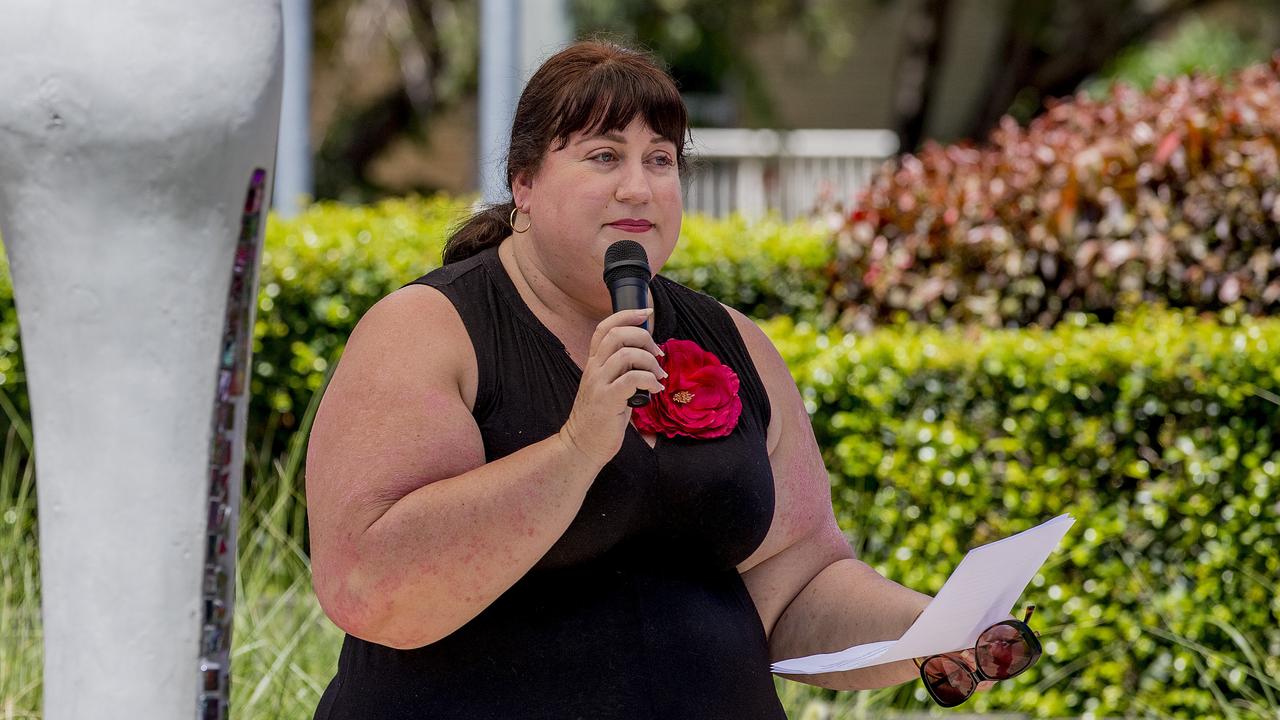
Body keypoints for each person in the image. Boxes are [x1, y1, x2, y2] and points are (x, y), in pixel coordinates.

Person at [305, 39, 996, 719]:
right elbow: (372, 587)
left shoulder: (735, 342)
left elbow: (797, 583)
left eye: (660, 160)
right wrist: (575, 451)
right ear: (525, 183)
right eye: (603, 156)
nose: (638, 186)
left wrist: (937, 632)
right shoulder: (428, 330)